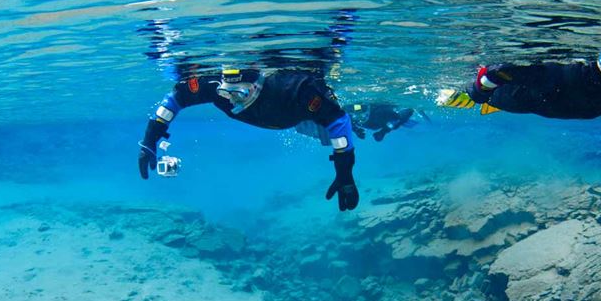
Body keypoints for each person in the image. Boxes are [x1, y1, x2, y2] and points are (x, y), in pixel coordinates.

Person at [137, 67, 359, 211]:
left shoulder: (295, 89)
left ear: (258, 85)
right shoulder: (215, 87)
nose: (233, 99)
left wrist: (344, 173)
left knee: (328, 127)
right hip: (284, 118)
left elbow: (338, 122)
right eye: (227, 93)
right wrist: (150, 139)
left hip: (298, 114)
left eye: (240, 94)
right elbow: (175, 100)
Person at [439, 55, 601, 119]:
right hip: (518, 100)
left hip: (502, 95)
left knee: (479, 84)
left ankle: (473, 95)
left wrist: (481, 91)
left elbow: (496, 73)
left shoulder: (564, 76)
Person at [345, 103, 424, 142]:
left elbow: (400, 118)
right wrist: (356, 130)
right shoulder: (350, 114)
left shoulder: (381, 113)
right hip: (377, 123)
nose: (358, 115)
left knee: (397, 121)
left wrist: (383, 132)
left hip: (383, 119)